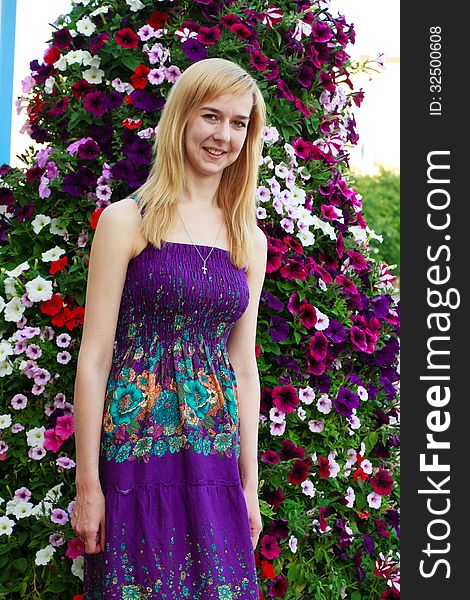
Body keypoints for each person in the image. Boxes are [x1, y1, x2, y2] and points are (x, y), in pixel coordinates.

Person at [71, 57, 268, 599]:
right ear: (181, 118)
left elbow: (243, 368)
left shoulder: (249, 239)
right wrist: (89, 485)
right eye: (211, 116)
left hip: (214, 452)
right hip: (136, 452)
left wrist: (250, 486)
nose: (223, 135)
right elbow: (93, 360)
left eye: (238, 123)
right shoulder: (126, 221)